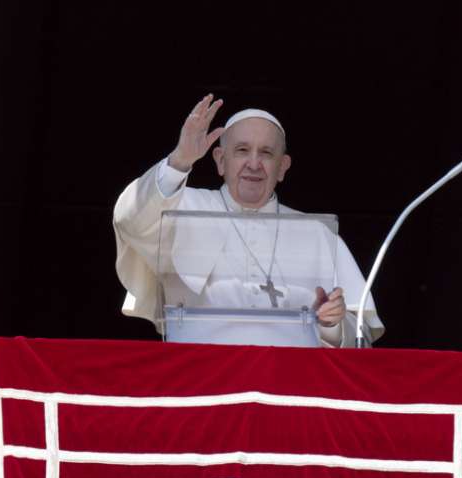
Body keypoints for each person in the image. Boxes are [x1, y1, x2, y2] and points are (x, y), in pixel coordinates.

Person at [113, 94, 383, 347]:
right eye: (242, 150)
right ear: (220, 160)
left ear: (283, 167)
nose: (254, 164)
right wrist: (180, 161)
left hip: (289, 383)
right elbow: (129, 221)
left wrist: (331, 325)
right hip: (200, 378)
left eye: (266, 153)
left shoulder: (316, 234)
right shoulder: (180, 206)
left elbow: (360, 335)